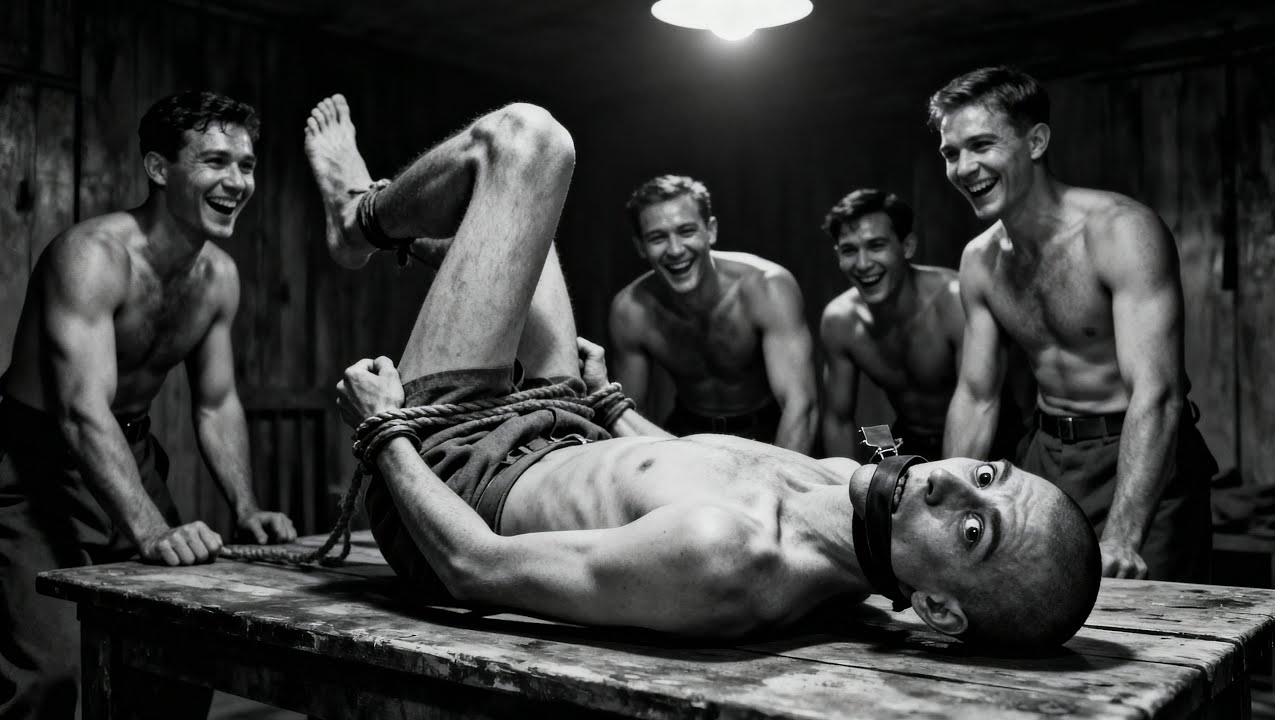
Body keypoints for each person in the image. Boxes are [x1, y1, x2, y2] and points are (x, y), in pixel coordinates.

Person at [304, 93, 1100, 653]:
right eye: (985, 476)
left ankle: (361, 218)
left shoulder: (730, 556)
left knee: (527, 142)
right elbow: (747, 444)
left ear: (936, 608)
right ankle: (428, 249)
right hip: (589, 426)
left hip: (459, 468)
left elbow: (473, 566)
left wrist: (384, 430)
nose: (951, 486)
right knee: (524, 222)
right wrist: (609, 404)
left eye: (973, 531)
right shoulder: (843, 431)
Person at [0, 90, 298, 719]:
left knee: (180, 652)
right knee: (50, 675)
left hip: (127, 449)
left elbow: (216, 403)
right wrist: (153, 529)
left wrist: (245, 507)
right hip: (32, 462)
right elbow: (81, 410)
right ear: (159, 169)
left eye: (246, 165)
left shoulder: (218, 277)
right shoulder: (91, 256)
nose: (237, 181)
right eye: (215, 161)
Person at [933, 66, 1217, 582]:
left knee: (1149, 622)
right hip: (1048, 459)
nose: (965, 167)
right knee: (1035, 613)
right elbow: (976, 397)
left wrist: (1124, 536)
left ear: (1036, 141)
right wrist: (946, 513)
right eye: (951, 153)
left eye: (981, 145)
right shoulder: (979, 261)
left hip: (1140, 454)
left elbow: (1158, 392)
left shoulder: (1120, 231)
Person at [608, 175, 817, 452]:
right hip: (689, 436)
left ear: (711, 230)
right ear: (640, 247)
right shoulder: (631, 310)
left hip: (770, 430)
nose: (675, 250)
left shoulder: (766, 287)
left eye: (686, 231)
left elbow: (800, 405)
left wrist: (780, 474)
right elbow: (629, 415)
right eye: (657, 238)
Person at [820, 189, 1032, 462]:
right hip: (912, 440)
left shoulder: (953, 302)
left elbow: (977, 402)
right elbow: (838, 420)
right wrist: (840, 483)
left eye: (876, 246)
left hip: (990, 438)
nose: (862, 264)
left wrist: (948, 480)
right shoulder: (840, 321)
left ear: (907, 246)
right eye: (849, 250)